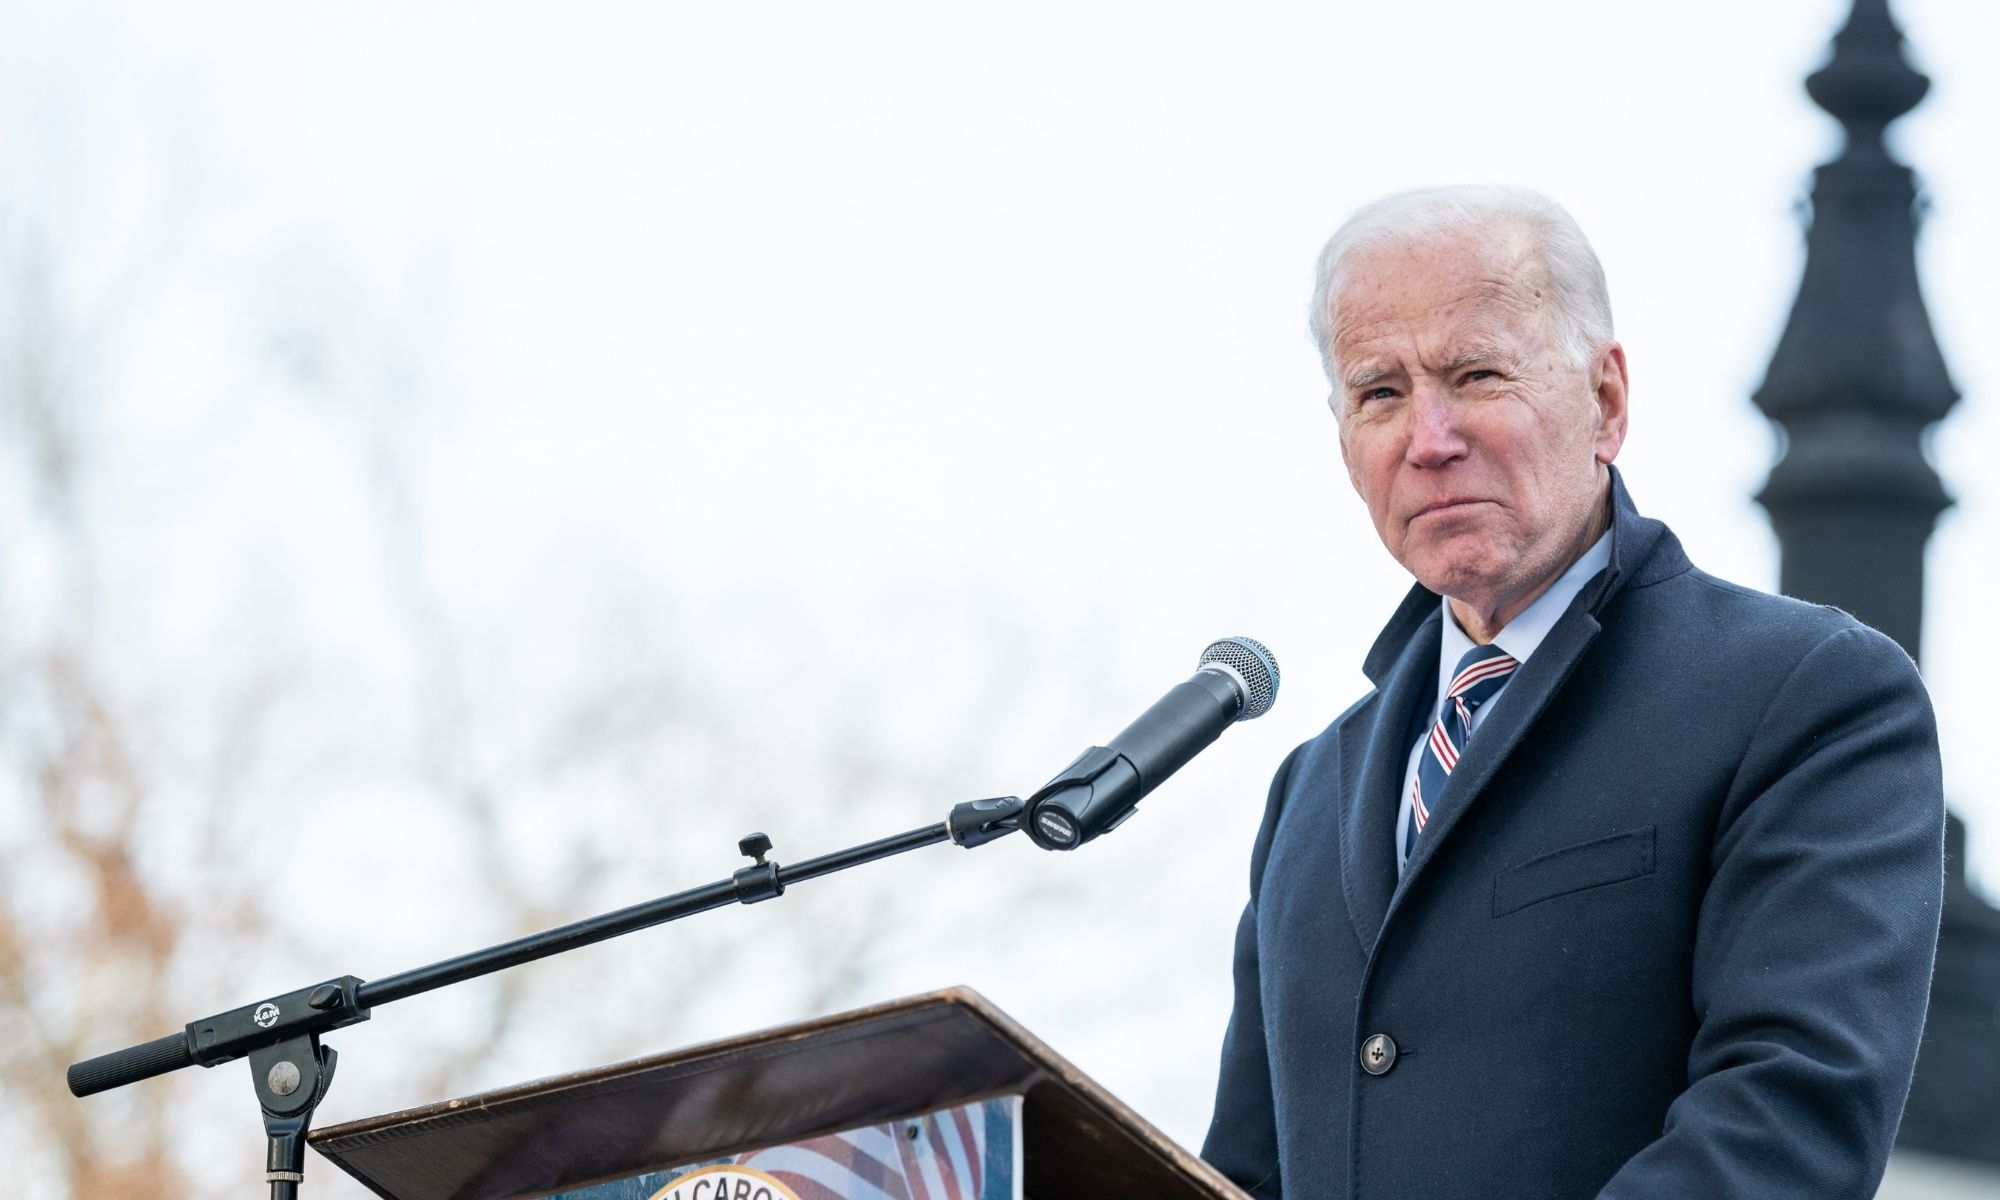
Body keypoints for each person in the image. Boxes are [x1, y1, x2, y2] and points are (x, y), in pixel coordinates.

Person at [1201, 186, 1944, 1199]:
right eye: (1377, 392)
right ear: (1343, 446)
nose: (1426, 438)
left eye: (1474, 375)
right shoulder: (1310, 790)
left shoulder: (1803, 696)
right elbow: (1245, 1172)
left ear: (1604, 402)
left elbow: (1786, 1124)